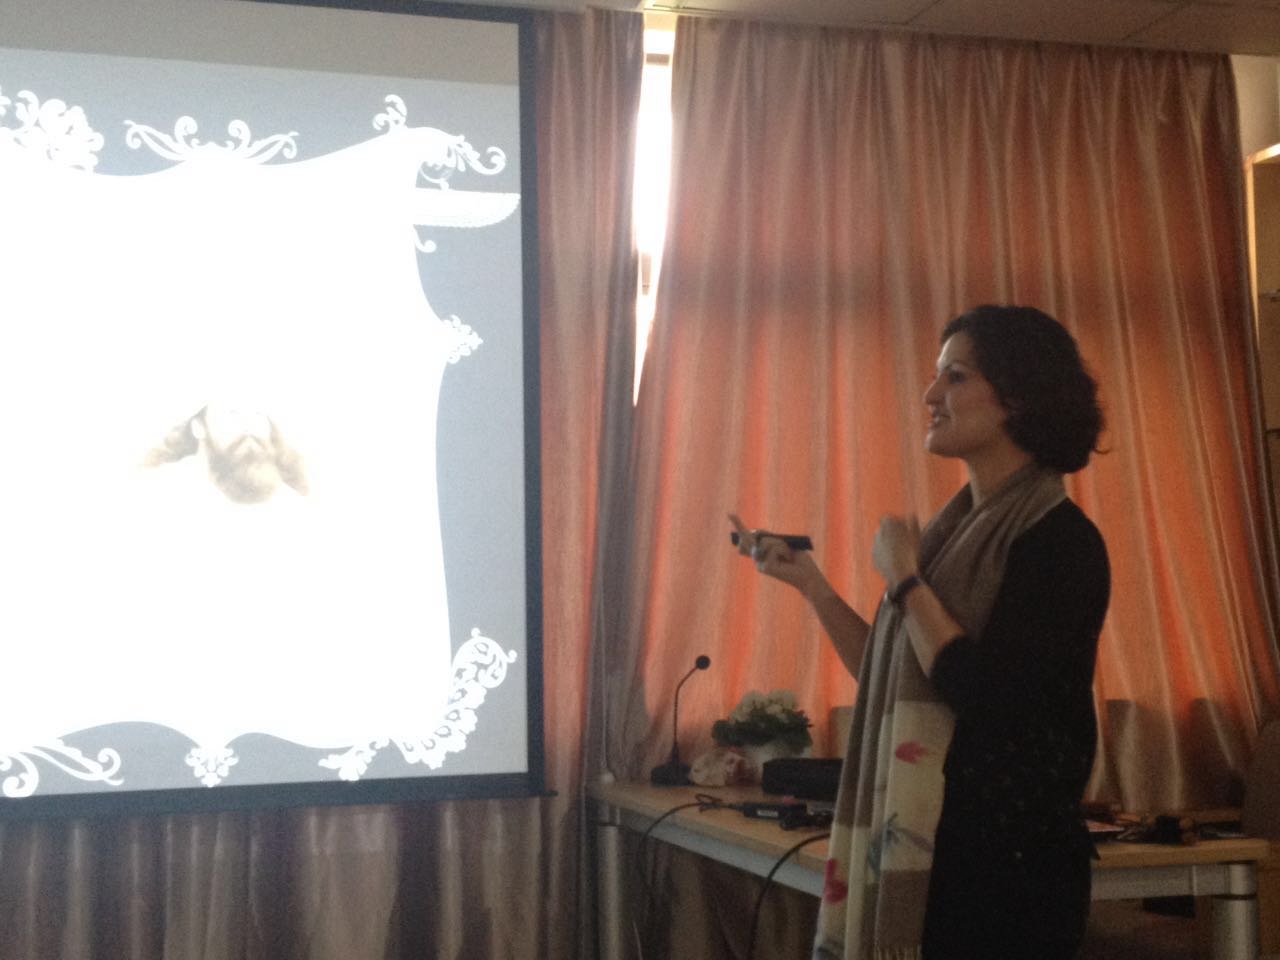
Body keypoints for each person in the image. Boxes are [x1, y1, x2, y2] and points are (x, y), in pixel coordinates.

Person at [735, 305, 1110, 960]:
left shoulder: (1061, 542)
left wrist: (907, 580)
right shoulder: (951, 538)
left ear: (1018, 399)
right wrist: (814, 586)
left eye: (956, 377)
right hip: (942, 855)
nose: (931, 395)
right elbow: (892, 675)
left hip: (1010, 871)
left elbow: (984, 695)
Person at [142, 404, 309, 504]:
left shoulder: (293, 503)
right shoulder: (157, 492)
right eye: (233, 413)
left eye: (258, 413)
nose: (249, 426)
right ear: (198, 427)